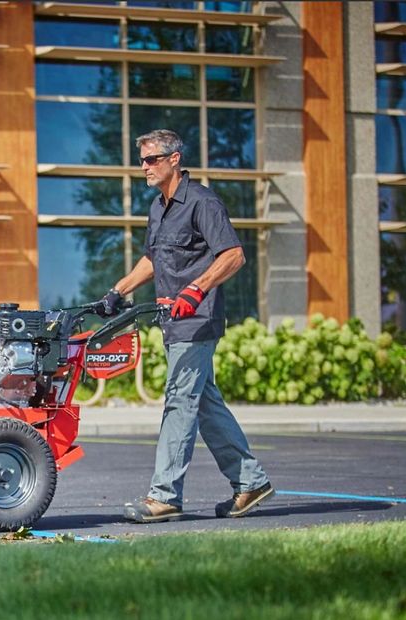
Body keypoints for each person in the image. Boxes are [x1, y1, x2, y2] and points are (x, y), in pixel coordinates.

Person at [101, 129, 273, 522]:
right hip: (171, 322)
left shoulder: (202, 202)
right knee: (204, 403)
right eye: (142, 160)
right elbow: (153, 259)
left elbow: (233, 255)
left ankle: (165, 496)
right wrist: (119, 290)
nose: (144, 167)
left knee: (180, 400)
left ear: (174, 158)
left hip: (198, 320)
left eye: (152, 159)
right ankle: (251, 482)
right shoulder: (158, 208)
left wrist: (197, 289)